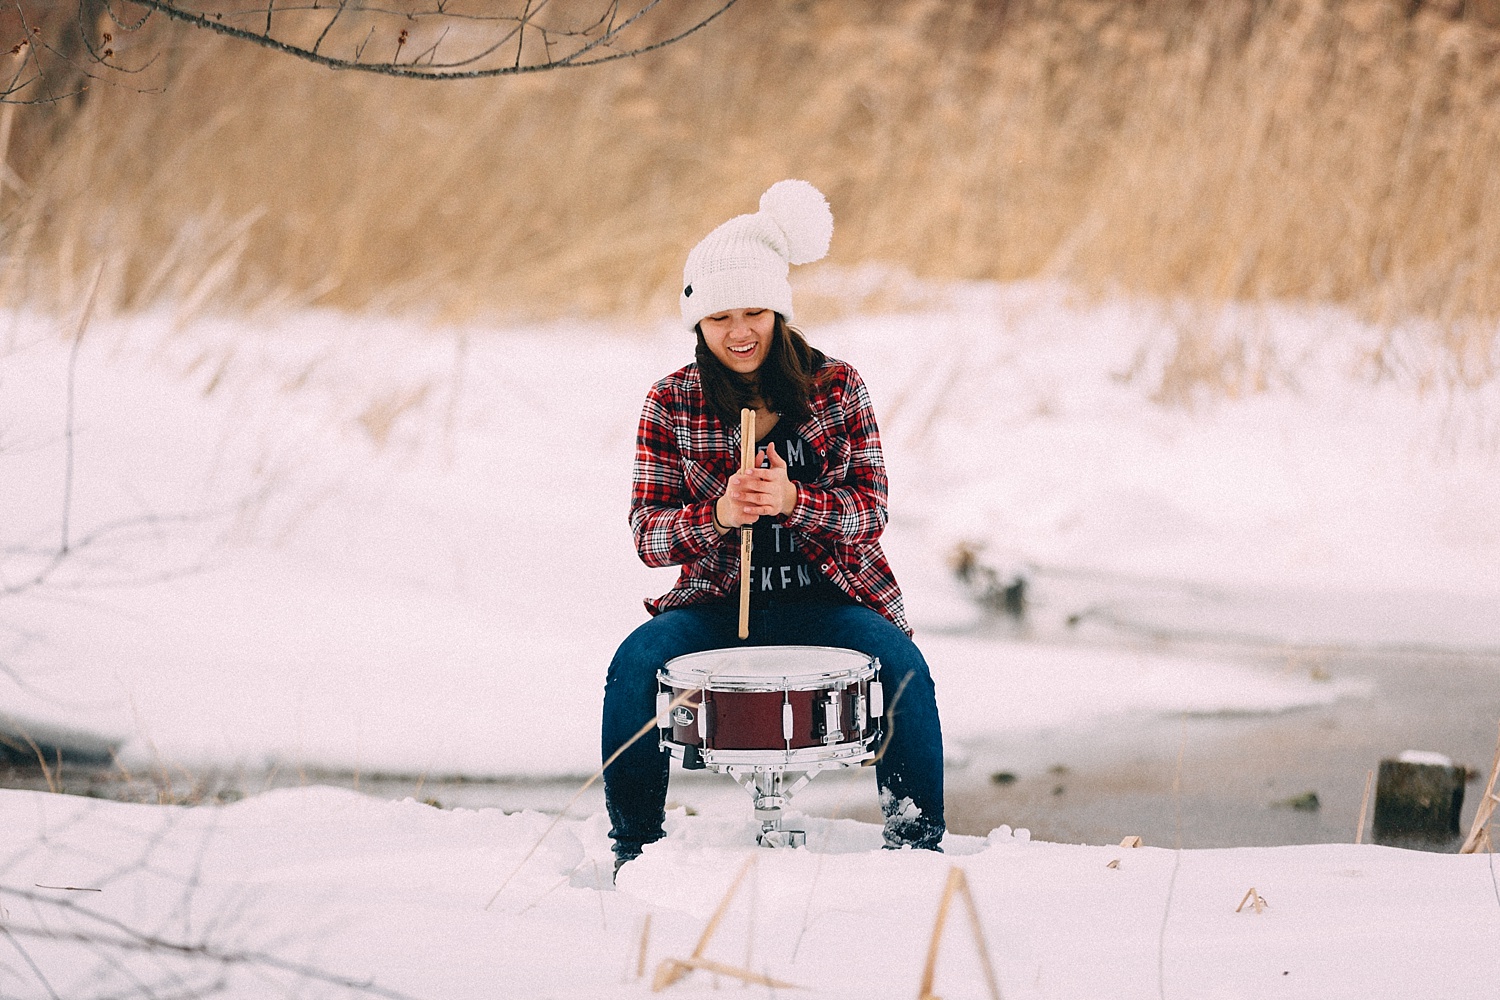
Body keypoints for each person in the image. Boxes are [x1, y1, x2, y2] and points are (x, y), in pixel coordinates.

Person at [601, 180, 945, 869]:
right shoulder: (671, 402)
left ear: (779, 311)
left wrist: (797, 501)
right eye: (720, 316)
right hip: (717, 605)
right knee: (633, 663)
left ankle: (916, 844)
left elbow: (872, 510)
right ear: (697, 322)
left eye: (755, 311)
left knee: (906, 668)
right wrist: (720, 515)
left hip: (832, 600)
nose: (739, 331)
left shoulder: (838, 385)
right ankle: (635, 845)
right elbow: (647, 534)